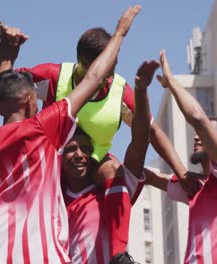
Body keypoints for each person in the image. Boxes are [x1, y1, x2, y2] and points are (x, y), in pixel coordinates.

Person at [0, 6, 141, 264]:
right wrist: (120, 33)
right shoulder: (41, 131)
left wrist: (6, 57)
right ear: (29, 102)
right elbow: (93, 77)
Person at [4, 22, 198, 195]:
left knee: (116, 171)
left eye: (114, 64)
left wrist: (181, 171)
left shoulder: (120, 91)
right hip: (53, 168)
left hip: (94, 168)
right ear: (84, 63)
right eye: (106, 67)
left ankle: (168, 186)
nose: (111, 73)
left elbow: (152, 131)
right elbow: (5, 86)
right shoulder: (54, 76)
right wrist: (7, 54)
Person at [144, 50, 217, 264]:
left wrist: (172, 82)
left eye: (205, 135)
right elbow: (147, 175)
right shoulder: (195, 187)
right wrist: (132, 114)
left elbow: (198, 119)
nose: (196, 136)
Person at [61, 58, 156, 263]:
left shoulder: (113, 189)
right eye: (71, 149)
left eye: (86, 149)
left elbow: (139, 144)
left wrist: (140, 92)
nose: (79, 154)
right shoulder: (52, 199)